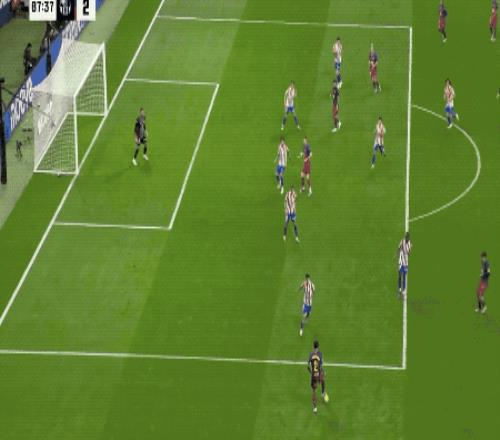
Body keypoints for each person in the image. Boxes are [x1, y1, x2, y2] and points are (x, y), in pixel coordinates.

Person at [308, 340, 329, 413]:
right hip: (319, 374)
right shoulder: (320, 354)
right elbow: (321, 365)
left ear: (313, 346)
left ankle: (315, 408)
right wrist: (323, 372)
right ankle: (323, 393)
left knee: (314, 391)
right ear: (318, 346)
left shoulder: (310, 354)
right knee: (323, 380)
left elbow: (308, 366)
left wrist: (311, 373)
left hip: (313, 376)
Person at [398, 232, 412, 297]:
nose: (406, 238)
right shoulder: (402, 241)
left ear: (408, 238)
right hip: (401, 261)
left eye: (407, 237)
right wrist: (398, 253)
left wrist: (407, 252)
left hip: (406, 262)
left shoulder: (409, 244)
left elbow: (409, 253)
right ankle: (399, 290)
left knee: (404, 276)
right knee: (400, 275)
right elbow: (399, 248)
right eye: (406, 237)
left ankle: (403, 291)